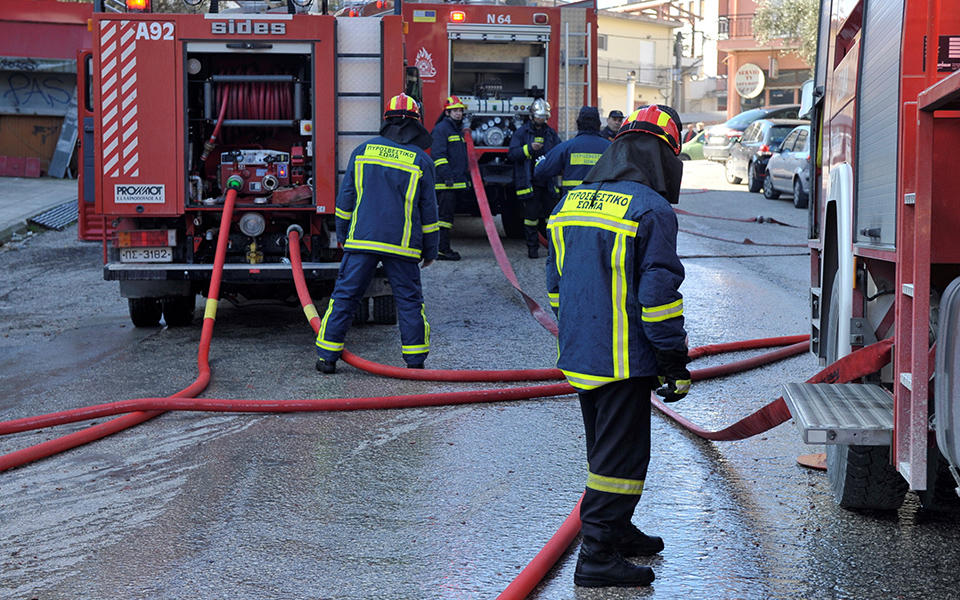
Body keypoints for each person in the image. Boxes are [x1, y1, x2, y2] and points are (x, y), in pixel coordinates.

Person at [545, 104, 692, 588]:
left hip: (581, 353)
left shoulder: (570, 204)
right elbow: (658, 299)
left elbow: (555, 284)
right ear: (663, 158)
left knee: (602, 448)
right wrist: (673, 359)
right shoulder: (651, 210)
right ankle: (597, 556)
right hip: (625, 358)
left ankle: (620, 530)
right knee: (621, 459)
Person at [315, 93, 439, 374]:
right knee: (408, 302)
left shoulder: (362, 152)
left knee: (345, 296)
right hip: (403, 245)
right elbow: (430, 214)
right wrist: (431, 250)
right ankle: (415, 362)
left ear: (386, 120)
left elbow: (345, 201)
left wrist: (344, 235)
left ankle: (327, 358)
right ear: (417, 123)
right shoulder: (421, 160)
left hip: (362, 239)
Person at [507, 98, 560, 259]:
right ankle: (532, 249)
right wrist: (529, 149)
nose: (541, 120)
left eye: (544, 117)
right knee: (530, 218)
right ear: (531, 116)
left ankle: (552, 250)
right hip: (530, 183)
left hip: (548, 183)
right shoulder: (522, 132)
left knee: (551, 218)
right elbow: (512, 154)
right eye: (539, 117)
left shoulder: (550, 134)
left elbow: (559, 151)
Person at [534, 106, 610, 201]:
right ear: (599, 124)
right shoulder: (611, 148)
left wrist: (540, 162)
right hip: (601, 204)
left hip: (572, 205)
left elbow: (542, 171)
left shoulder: (566, 147)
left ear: (578, 124)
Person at [430, 95, 470, 261]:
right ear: (447, 112)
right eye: (455, 110)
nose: (458, 113)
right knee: (444, 219)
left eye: (460, 110)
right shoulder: (441, 129)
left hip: (453, 183)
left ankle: (443, 248)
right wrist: (447, 176)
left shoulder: (455, 129)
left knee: (448, 218)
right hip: (445, 183)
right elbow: (438, 156)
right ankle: (442, 250)